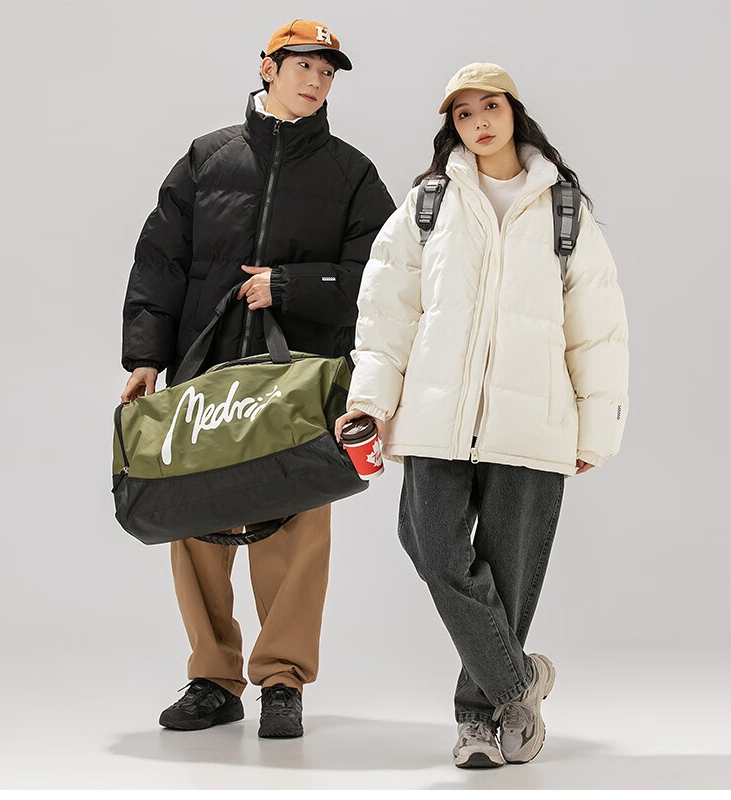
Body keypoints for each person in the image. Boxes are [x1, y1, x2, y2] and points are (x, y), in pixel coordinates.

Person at [336, 63, 628, 768]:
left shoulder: (563, 209)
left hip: (534, 421)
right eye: (463, 114)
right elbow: (386, 314)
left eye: (489, 107)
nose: (478, 123)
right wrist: (370, 401)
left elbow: (598, 327)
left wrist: (596, 429)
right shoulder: (428, 203)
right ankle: (519, 683)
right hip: (434, 416)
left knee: (509, 572)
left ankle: (477, 722)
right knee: (433, 549)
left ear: (514, 112)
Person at [120, 19, 395, 739]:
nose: (316, 80)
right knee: (195, 522)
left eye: (327, 72)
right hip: (204, 373)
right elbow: (160, 260)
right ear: (268, 67)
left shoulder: (352, 175)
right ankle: (213, 679)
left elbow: (386, 280)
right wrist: (145, 356)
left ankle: (282, 681)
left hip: (300, 383)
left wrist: (291, 285)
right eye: (304, 65)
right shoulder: (206, 160)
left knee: (296, 526)